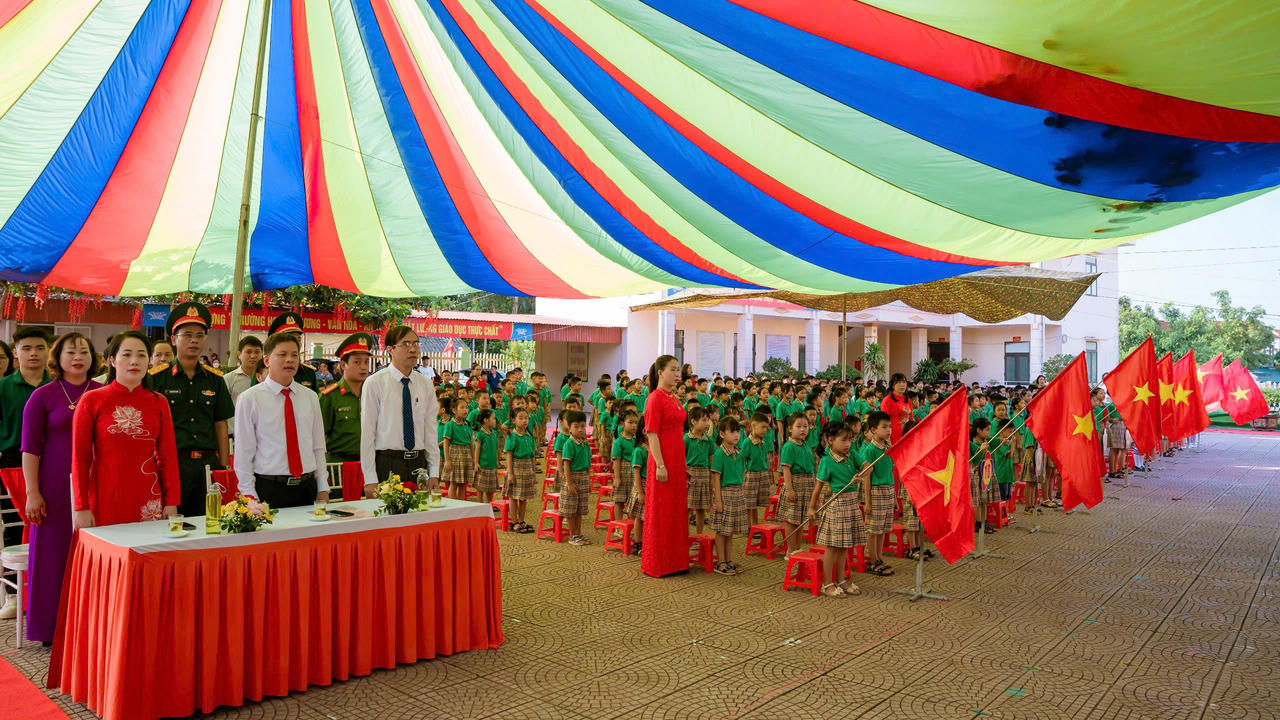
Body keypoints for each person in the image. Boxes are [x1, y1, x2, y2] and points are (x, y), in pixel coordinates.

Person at [20, 332, 101, 642]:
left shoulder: (102, 392)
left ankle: (89, 625)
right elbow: (30, 449)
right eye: (71, 351)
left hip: (93, 484)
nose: (78, 357)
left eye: (84, 351)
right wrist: (32, 492)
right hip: (52, 486)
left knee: (92, 551)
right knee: (53, 555)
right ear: (58, 358)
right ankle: (51, 628)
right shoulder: (42, 396)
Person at [71, 331, 181, 529]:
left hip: (149, 497)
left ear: (148, 361)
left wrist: (171, 502)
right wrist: (81, 507)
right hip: (105, 498)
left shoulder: (158, 402)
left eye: (141, 355)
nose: (134, 361)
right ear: (112, 360)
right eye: (127, 354)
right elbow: (80, 459)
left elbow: (167, 457)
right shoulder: (91, 401)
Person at [147, 302, 234, 517]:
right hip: (172, 465)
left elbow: (220, 424)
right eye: (187, 335)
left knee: (209, 522)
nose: (194, 340)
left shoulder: (215, 380)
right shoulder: (156, 378)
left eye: (199, 335)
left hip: (207, 465)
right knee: (170, 523)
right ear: (173, 339)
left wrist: (222, 467)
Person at [232, 333, 329, 509]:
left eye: (294, 355)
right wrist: (249, 495)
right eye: (282, 355)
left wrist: (322, 485)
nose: (290, 360)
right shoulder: (250, 399)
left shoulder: (310, 397)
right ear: (267, 360)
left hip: (307, 486)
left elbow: (318, 445)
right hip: (269, 488)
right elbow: (244, 452)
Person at [359, 326, 441, 497]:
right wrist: (370, 477)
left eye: (416, 344)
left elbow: (431, 431)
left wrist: (433, 471)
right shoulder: (375, 383)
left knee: (419, 519)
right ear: (390, 349)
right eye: (405, 344)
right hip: (388, 463)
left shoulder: (425, 384)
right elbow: (368, 433)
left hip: (419, 464)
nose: (413, 349)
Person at [641, 355, 690, 578]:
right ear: (660, 372)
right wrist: (660, 464)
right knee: (661, 510)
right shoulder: (654, 399)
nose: (677, 373)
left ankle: (676, 561)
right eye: (673, 369)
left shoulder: (674, 398)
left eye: (678, 369)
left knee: (676, 510)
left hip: (677, 459)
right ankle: (659, 562)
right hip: (662, 460)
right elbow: (652, 433)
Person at [809, 421, 863, 598]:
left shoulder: (852, 454)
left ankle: (841, 579)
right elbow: (818, 487)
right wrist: (811, 508)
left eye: (850, 440)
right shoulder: (826, 461)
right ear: (830, 440)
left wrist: (861, 475)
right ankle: (827, 583)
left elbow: (868, 467)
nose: (848, 444)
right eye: (844, 440)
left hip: (851, 503)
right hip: (837, 506)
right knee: (833, 547)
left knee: (844, 547)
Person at [319, 333, 373, 464]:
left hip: (369, 465)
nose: (363, 367)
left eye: (366, 362)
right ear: (343, 365)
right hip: (338, 465)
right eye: (357, 362)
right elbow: (317, 438)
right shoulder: (330, 397)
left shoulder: (372, 393)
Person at [0, 327, 49, 468]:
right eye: (26, 348)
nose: (33, 353)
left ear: (48, 350)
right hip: (12, 460)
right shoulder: (2, 387)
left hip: (52, 457)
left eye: (40, 348)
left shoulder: (59, 387)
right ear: (15, 352)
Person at [708, 416, 747, 576]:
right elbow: (716, 477)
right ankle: (721, 561)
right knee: (721, 530)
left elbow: (742, 473)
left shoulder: (738, 452)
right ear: (722, 434)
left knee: (730, 531)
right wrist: (718, 500)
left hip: (737, 492)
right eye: (732, 432)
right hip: (724, 493)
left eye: (738, 431)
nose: (736, 435)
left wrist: (742, 492)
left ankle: (729, 559)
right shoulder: (719, 454)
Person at [861, 411, 896, 576]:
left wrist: (895, 497)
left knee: (882, 529)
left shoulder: (889, 447)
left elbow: (891, 472)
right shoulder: (870, 450)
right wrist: (867, 502)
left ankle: (879, 557)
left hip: (888, 490)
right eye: (884, 427)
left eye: (890, 426)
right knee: (873, 528)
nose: (888, 430)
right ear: (873, 429)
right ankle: (873, 560)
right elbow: (866, 478)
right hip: (876, 491)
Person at [777, 413, 815, 558]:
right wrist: (790, 489)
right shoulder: (789, 446)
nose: (802, 429)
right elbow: (786, 469)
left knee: (801, 519)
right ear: (790, 429)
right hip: (795, 483)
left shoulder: (805, 445)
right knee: (792, 519)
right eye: (798, 426)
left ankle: (797, 548)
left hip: (807, 484)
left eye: (805, 426)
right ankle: (791, 549)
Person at [558, 410, 593, 545]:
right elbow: (566, 464)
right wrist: (569, 483)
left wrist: (588, 481)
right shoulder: (569, 444)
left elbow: (588, 463)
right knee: (571, 509)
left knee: (580, 509)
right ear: (569, 428)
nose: (580, 429)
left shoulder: (586, 443)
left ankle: (578, 533)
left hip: (583, 477)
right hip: (572, 477)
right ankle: (572, 535)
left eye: (582, 426)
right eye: (576, 426)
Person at [502, 408, 537, 533]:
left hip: (527, 468)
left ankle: (522, 520)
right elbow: (509, 456)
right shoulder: (512, 436)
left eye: (526, 418)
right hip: (516, 468)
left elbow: (532, 456)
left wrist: (533, 472)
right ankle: (514, 521)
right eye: (521, 418)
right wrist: (510, 473)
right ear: (514, 420)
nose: (524, 421)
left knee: (524, 498)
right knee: (513, 497)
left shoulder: (529, 436)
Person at [222, 335, 262, 439]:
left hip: (262, 435)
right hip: (236, 435)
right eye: (248, 352)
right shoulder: (228, 379)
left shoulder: (268, 379)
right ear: (239, 354)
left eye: (257, 352)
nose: (253, 356)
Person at [268, 312, 319, 390]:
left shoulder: (308, 372)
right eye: (291, 339)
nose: (296, 343)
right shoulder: (265, 369)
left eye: (298, 339)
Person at [684, 406, 713, 535]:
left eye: (708, 420)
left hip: (705, 475)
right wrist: (684, 476)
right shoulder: (686, 439)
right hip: (689, 474)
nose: (707, 423)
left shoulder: (709, 440)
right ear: (693, 422)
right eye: (704, 420)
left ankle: (699, 535)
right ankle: (685, 535)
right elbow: (681, 459)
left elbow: (712, 461)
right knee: (687, 507)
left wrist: (712, 479)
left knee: (701, 508)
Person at [739, 413, 771, 527]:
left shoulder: (764, 440)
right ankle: (748, 527)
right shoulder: (747, 442)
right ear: (753, 426)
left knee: (756, 502)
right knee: (749, 503)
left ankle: (755, 524)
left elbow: (766, 457)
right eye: (762, 427)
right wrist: (742, 476)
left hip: (762, 473)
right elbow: (742, 459)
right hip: (751, 474)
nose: (765, 430)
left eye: (766, 427)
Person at [610, 411, 639, 525]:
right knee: (619, 500)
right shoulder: (619, 441)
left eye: (636, 423)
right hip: (622, 470)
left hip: (634, 471)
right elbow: (616, 461)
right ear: (622, 424)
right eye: (630, 422)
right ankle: (618, 525)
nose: (634, 426)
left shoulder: (637, 440)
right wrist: (617, 478)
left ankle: (631, 524)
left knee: (633, 500)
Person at [441, 398, 473, 500]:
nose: (465, 410)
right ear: (454, 410)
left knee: (463, 484)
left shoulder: (467, 424)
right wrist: (447, 460)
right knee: (454, 483)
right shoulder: (450, 425)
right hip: (455, 454)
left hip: (466, 455)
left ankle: (461, 505)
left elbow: (471, 443)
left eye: (467, 407)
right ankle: (453, 507)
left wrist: (473, 459)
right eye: (462, 407)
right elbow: (446, 443)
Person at [472, 410, 500, 504]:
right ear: (486, 420)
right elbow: (477, 449)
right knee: (480, 488)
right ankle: (480, 506)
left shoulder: (493, 433)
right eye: (493, 418)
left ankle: (488, 504)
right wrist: (476, 463)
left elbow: (495, 448)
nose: (495, 420)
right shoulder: (480, 434)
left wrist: (497, 461)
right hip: (483, 465)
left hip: (492, 465)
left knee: (490, 488)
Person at [880, 373, 912, 444]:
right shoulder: (887, 400)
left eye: (904, 382)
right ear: (893, 385)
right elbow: (884, 421)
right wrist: (887, 439)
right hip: (892, 436)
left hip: (907, 435)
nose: (902, 385)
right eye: (898, 382)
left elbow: (911, 419)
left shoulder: (908, 400)